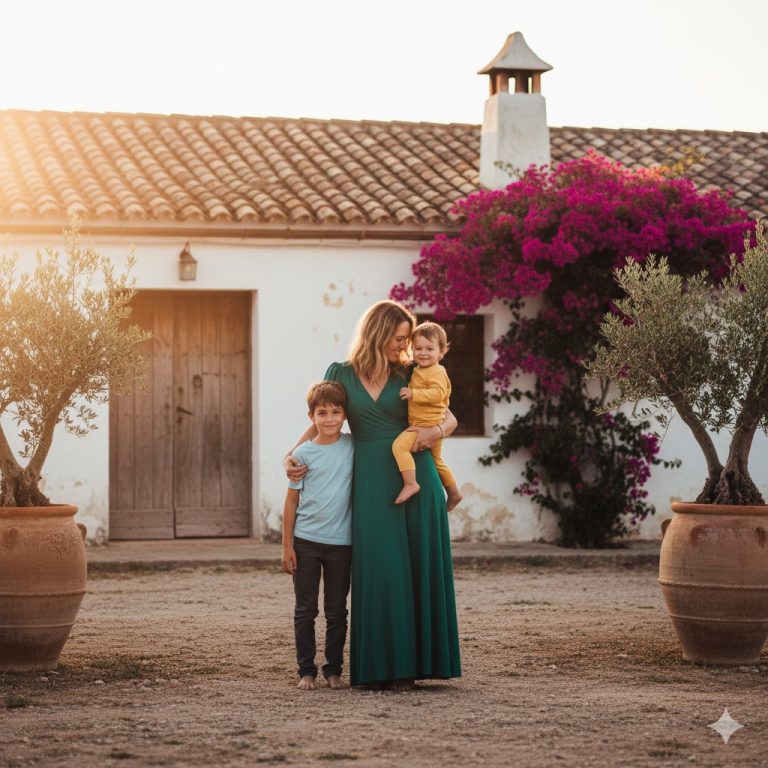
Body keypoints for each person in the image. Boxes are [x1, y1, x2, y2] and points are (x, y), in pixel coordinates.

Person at [284, 300, 461, 688]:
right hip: (369, 481)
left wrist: (434, 433)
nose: (405, 346)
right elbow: (320, 421)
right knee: (381, 569)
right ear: (378, 334)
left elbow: (449, 415)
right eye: (399, 338)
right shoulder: (340, 373)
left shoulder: (412, 372)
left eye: (407, 339)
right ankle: (385, 666)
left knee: (416, 570)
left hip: (417, 476)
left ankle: (415, 667)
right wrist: (291, 454)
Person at [281, 380, 353, 691]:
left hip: (342, 544)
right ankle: (306, 671)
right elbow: (291, 501)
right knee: (305, 610)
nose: (329, 418)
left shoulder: (353, 447)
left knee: (337, 611)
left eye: (336, 412)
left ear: (345, 415)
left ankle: (333, 670)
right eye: (322, 413)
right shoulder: (302, 454)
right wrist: (287, 545)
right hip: (306, 541)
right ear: (311, 417)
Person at [392, 321, 463, 511]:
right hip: (427, 422)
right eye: (418, 348)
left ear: (442, 352)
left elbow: (438, 394)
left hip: (426, 424)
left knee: (399, 447)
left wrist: (414, 394)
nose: (423, 353)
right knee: (437, 461)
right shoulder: (419, 369)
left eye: (429, 349)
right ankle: (454, 493)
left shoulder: (436, 371)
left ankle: (410, 484)